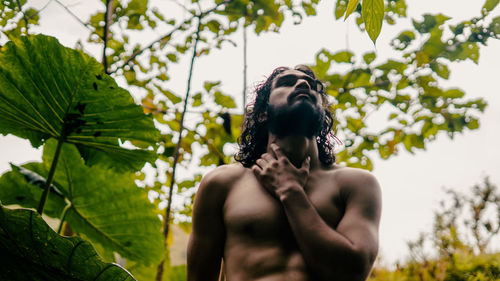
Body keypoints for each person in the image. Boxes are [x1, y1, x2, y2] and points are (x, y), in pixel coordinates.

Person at [187, 65, 382, 281]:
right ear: (262, 113)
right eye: (287, 82)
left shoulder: (356, 184)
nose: (303, 84)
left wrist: (291, 191)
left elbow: (353, 272)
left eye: (313, 86)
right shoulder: (222, 183)